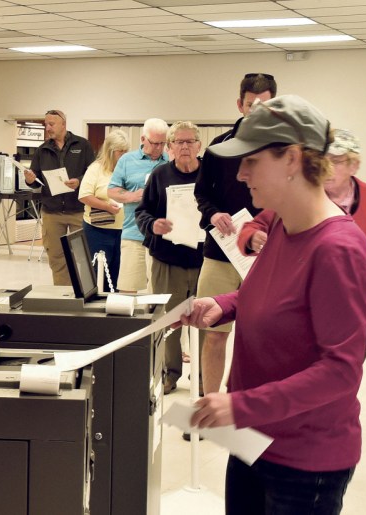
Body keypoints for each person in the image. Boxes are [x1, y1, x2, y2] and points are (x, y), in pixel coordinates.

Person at [179, 95, 366, 515]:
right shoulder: (284, 225)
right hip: (253, 440)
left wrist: (238, 404)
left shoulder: (337, 249)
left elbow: (340, 370)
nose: (241, 172)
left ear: (291, 159)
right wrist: (226, 304)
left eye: (251, 160)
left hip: (303, 463)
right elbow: (273, 296)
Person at [238, 128, 366, 349]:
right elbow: (254, 225)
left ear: (353, 165)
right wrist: (252, 237)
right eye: (323, 159)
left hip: (360, 308)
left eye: (336, 161)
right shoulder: (306, 195)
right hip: (305, 311)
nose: (328, 167)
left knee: (343, 368)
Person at [194, 73, 277, 394]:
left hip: (267, 256)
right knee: (215, 332)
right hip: (221, 251)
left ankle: (246, 404)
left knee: (260, 338)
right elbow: (201, 193)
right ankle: (210, 403)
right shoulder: (220, 148)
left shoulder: (281, 149)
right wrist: (214, 214)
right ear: (240, 104)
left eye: (265, 105)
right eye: (251, 104)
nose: (257, 110)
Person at [135, 121, 204, 394]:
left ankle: (200, 377)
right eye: (179, 142)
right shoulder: (160, 175)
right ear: (171, 147)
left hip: (205, 260)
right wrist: (153, 225)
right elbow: (142, 212)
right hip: (167, 259)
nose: (185, 146)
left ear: (199, 145)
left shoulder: (211, 175)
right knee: (169, 321)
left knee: (205, 321)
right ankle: (169, 373)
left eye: (190, 141)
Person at [24, 109, 95, 285]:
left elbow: (93, 174)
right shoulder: (42, 150)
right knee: (56, 257)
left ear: (63, 124)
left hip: (79, 210)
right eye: (46, 124)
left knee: (84, 255)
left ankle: (85, 291)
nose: (48, 128)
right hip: (52, 212)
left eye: (51, 124)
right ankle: (63, 294)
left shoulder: (83, 145)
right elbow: (36, 179)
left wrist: (79, 181)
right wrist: (30, 180)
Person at [108, 118, 169, 293]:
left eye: (162, 143)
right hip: (133, 233)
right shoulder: (127, 160)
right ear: (143, 139)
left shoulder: (171, 162)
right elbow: (112, 191)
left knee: (157, 293)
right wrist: (133, 196)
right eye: (154, 143)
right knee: (128, 290)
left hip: (162, 238)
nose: (158, 148)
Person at [78, 130, 129, 290]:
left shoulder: (127, 168)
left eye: (126, 151)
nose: (124, 155)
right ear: (110, 151)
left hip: (124, 230)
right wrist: (107, 206)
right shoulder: (96, 169)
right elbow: (84, 195)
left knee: (119, 273)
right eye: (120, 151)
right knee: (99, 274)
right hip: (98, 231)